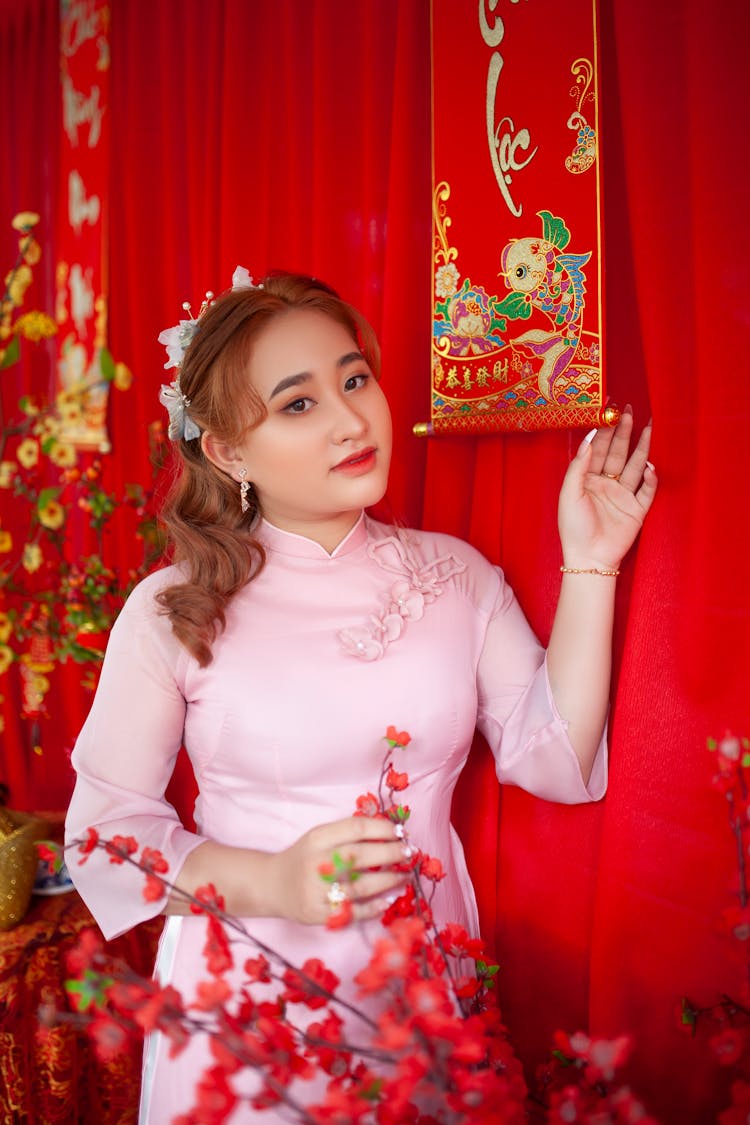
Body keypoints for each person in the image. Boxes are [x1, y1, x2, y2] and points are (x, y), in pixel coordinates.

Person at [65, 267, 657, 1123]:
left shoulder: (455, 574)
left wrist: (591, 559)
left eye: (355, 379)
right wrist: (272, 881)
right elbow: (104, 833)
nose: (352, 419)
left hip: (426, 977)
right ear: (227, 449)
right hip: (252, 992)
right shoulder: (172, 606)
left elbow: (556, 761)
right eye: (299, 403)